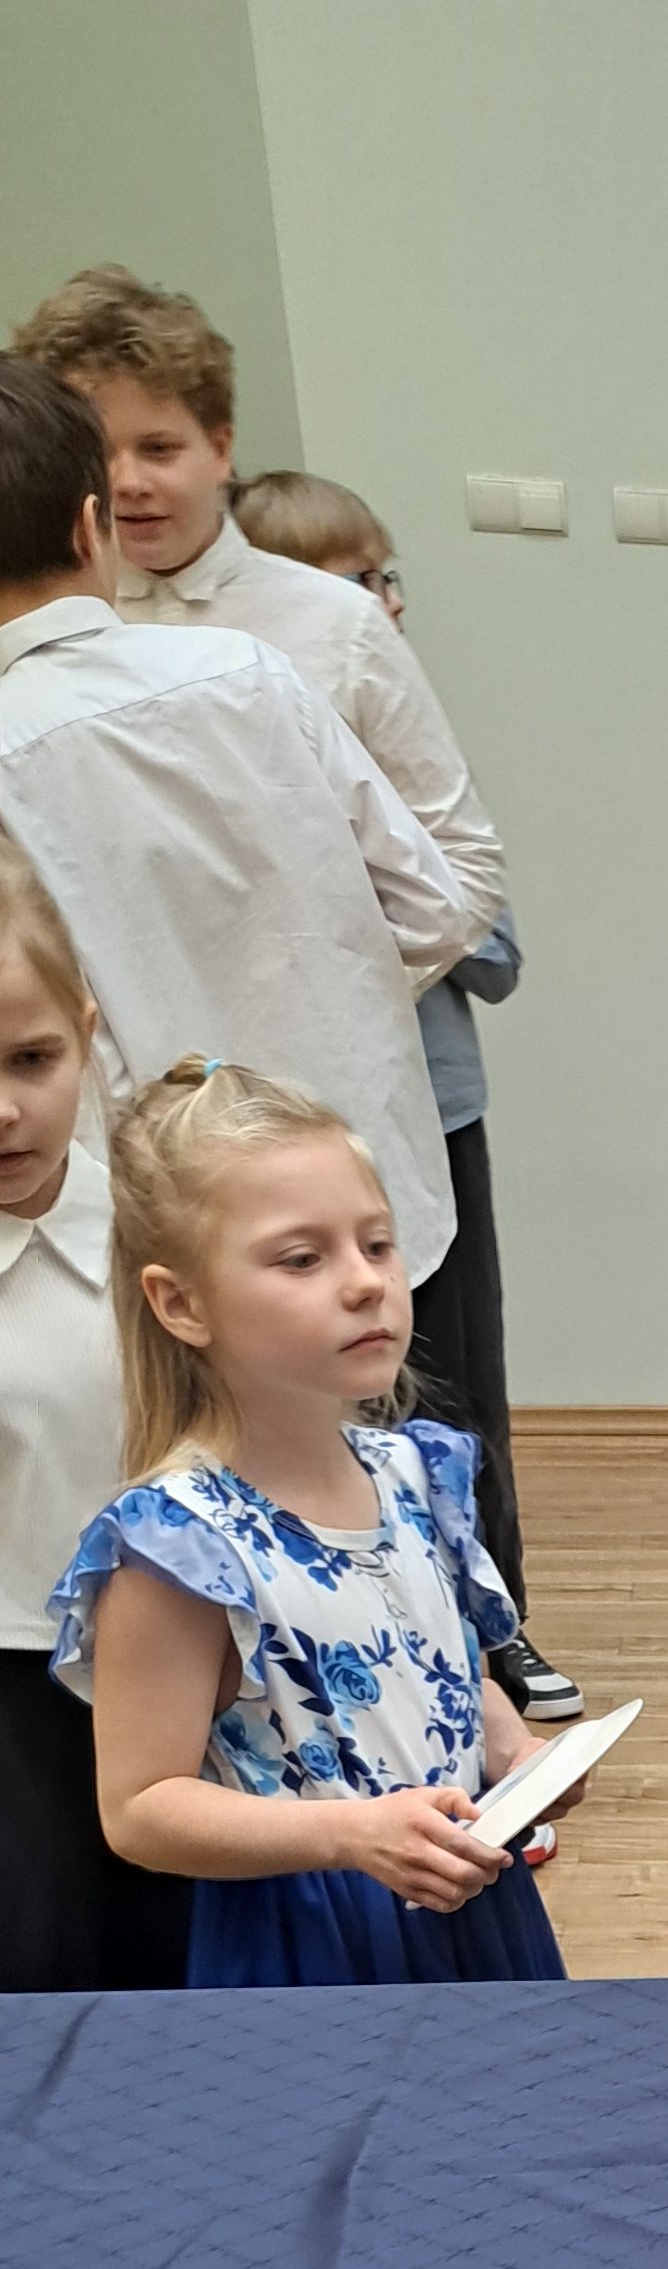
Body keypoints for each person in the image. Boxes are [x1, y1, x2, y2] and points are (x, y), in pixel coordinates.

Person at [55, 1056, 572, 1984]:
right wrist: (350, 1834)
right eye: (303, 1258)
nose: (365, 1283)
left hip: (469, 1907)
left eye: (377, 1244)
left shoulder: (417, 1475)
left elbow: (443, 1670)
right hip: (311, 1944)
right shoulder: (177, 1544)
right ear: (181, 1303)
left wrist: (518, 1753)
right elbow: (139, 1808)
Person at [0, 364, 483, 1279]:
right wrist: (328, 998)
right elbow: (435, 910)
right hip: (364, 1204)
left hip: (161, 1247)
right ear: (91, 525)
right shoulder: (248, 671)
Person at [226, 459, 571, 1723]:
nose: (380, 605)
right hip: (281, 1124)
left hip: (429, 1108)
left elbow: (494, 946)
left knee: (453, 1380)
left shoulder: (410, 757)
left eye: (382, 576)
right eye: (346, 583)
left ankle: (495, 1626)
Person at [0, 839, 183, 1986]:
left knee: (183, 1981)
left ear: (87, 1031)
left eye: (32, 1059)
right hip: (16, 1696)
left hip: (189, 1677)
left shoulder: (169, 1239)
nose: (5, 1110)